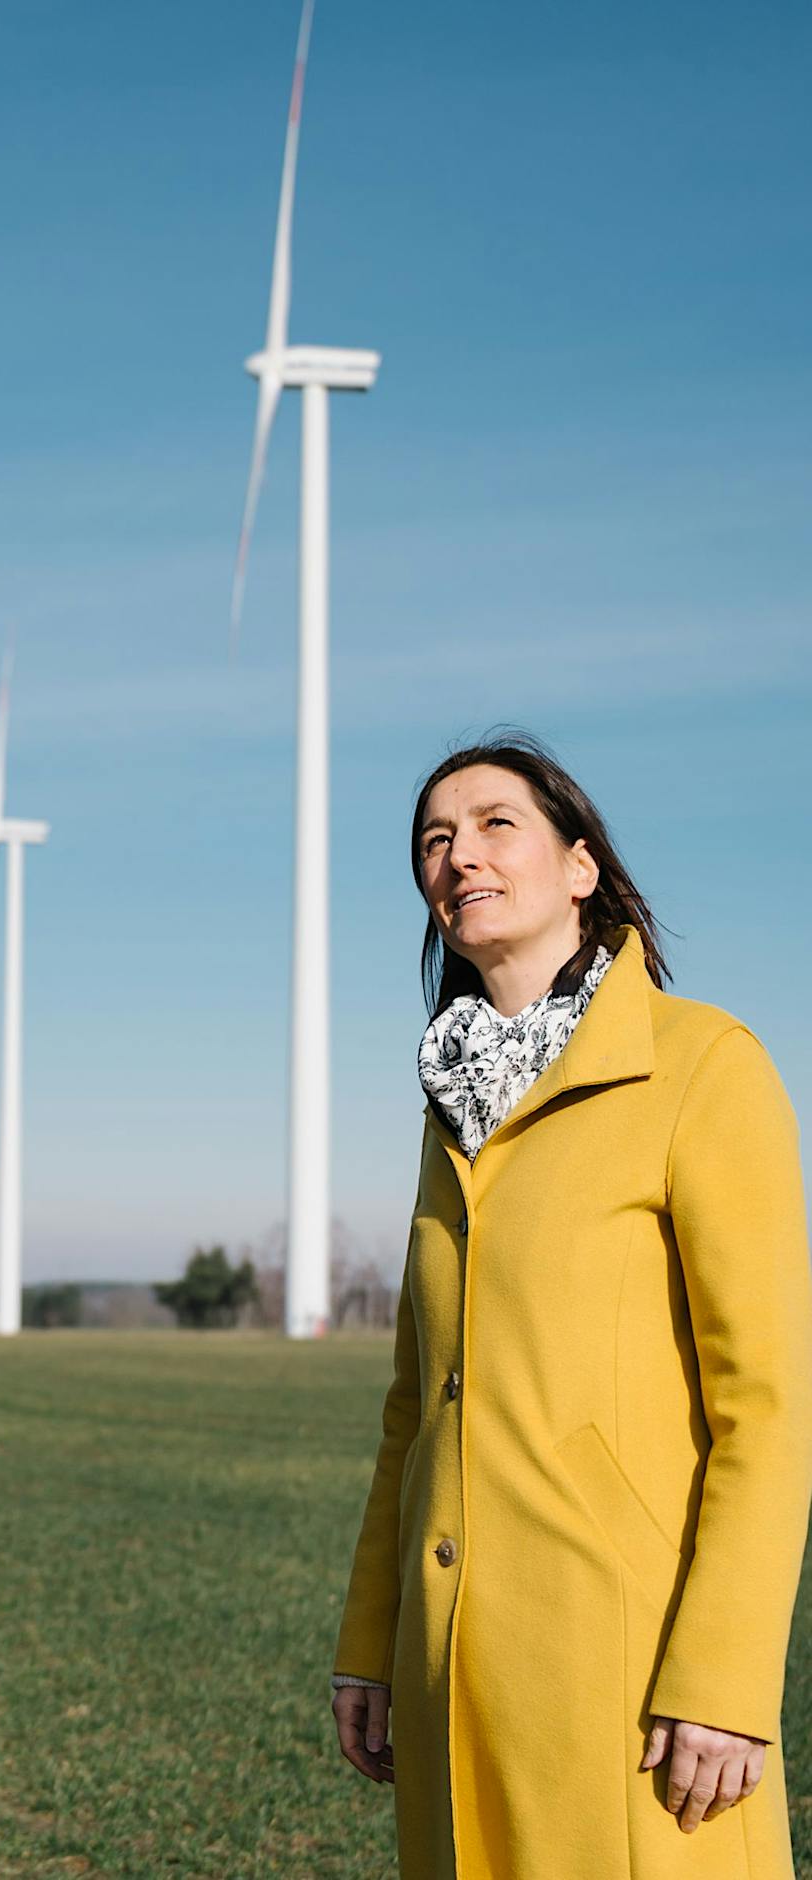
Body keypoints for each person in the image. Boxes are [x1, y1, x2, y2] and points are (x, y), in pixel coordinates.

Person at [330, 733, 812, 1878]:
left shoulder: (702, 1064)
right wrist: (370, 1643)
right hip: (457, 1676)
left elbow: (769, 1405)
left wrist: (723, 1677)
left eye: (495, 822)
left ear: (581, 866)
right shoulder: (446, 1109)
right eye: (432, 839)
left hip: (635, 1686)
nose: (457, 854)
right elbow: (415, 1406)